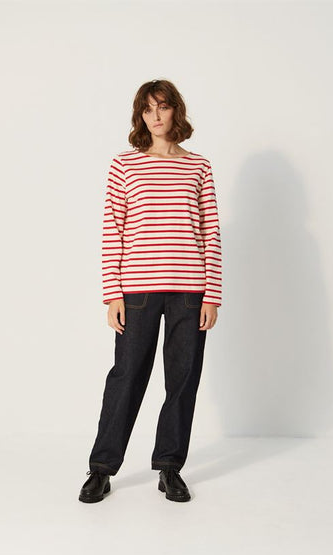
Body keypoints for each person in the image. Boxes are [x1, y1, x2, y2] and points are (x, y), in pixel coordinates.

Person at [79, 79, 222, 503]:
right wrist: (112, 294)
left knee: (183, 379)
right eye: (147, 109)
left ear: (176, 110)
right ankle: (101, 468)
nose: (155, 116)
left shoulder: (199, 167)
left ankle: (170, 467)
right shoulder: (125, 165)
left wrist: (212, 295)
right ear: (139, 116)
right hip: (137, 289)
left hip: (190, 291)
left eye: (162, 106)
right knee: (126, 376)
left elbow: (210, 233)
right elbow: (113, 230)